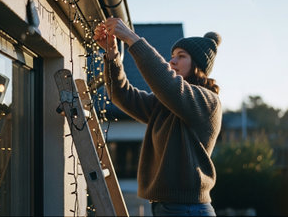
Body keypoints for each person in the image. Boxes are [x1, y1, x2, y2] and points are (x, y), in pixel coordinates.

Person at [93, 18, 222, 216]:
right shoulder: (166, 104)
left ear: (197, 65)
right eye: (172, 56)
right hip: (168, 207)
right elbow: (122, 95)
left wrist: (131, 38)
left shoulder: (207, 103)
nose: (172, 61)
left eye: (181, 56)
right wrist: (111, 55)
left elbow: (164, 81)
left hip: (188, 210)